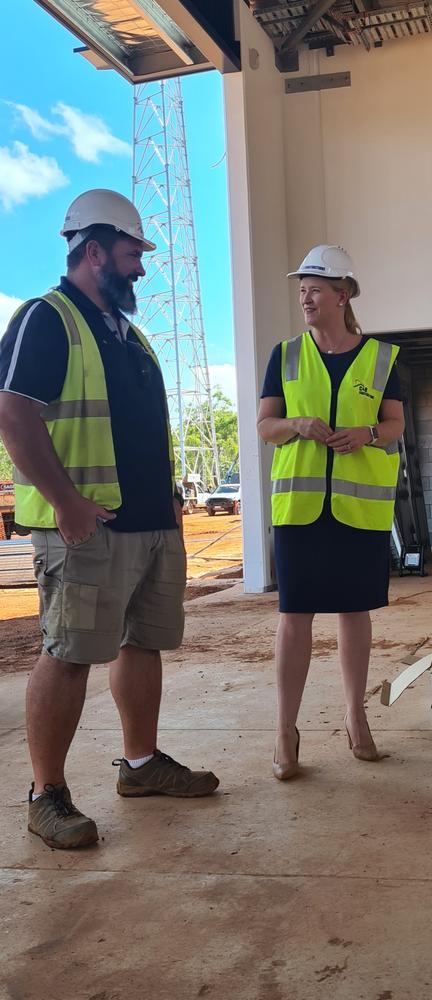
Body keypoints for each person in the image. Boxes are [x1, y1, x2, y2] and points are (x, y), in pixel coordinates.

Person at [0, 189, 219, 850]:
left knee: (141, 642)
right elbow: (13, 412)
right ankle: (47, 794)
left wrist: (172, 509)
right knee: (68, 653)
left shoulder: (130, 334)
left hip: (150, 522)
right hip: (85, 526)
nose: (141, 271)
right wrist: (65, 501)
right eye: (131, 256)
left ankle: (143, 764)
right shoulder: (47, 318)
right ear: (92, 250)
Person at [257, 245, 405, 779]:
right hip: (300, 510)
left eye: (315, 288)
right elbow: (265, 427)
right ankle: (285, 731)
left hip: (357, 511)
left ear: (343, 295)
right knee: (294, 618)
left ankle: (355, 716)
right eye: (302, 289)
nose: (305, 296)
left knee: (353, 612)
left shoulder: (383, 357)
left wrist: (365, 435)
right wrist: (296, 424)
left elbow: (394, 426)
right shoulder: (286, 355)